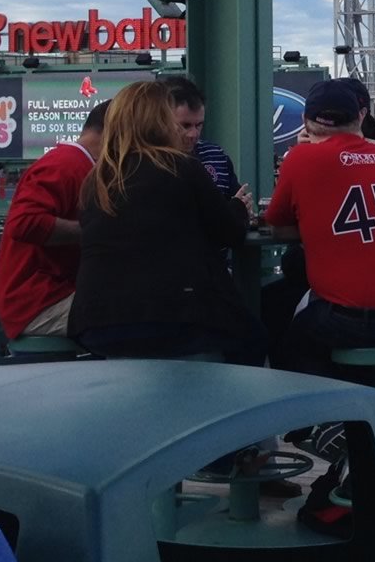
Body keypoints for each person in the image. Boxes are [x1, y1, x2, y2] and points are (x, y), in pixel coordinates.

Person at [265, 78, 375, 370]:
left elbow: (277, 227)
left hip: (356, 318)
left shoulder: (301, 157)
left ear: (304, 120)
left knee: (290, 339)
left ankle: (337, 413)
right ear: (358, 118)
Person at [70, 83, 252, 357]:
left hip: (94, 322)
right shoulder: (181, 166)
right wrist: (239, 206)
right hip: (169, 318)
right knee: (252, 339)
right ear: (161, 120)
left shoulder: (97, 178)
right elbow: (229, 233)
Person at [0, 101, 105, 341]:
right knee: (134, 314)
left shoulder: (82, 164)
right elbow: (24, 222)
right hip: (37, 302)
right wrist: (94, 231)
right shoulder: (65, 164)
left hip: (56, 294)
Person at [168, 77, 237, 196]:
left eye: (199, 125)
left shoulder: (217, 156)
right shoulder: (150, 164)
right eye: (185, 125)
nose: (194, 134)